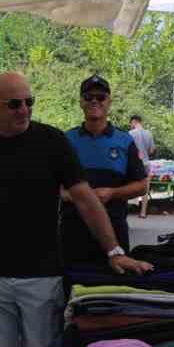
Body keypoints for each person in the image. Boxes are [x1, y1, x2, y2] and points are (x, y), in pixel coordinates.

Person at [0, 72, 152, 347]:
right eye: (14, 104)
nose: (24, 110)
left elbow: (86, 200)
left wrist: (114, 250)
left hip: (39, 277)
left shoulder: (52, 142)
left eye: (30, 102)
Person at [60, 75, 150, 269]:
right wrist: (72, 196)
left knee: (116, 291)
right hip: (72, 233)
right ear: (81, 102)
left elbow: (142, 186)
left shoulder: (125, 141)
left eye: (100, 97)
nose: (94, 101)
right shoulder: (66, 140)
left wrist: (112, 193)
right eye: (88, 97)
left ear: (109, 102)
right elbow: (54, 186)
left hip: (115, 233)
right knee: (70, 292)